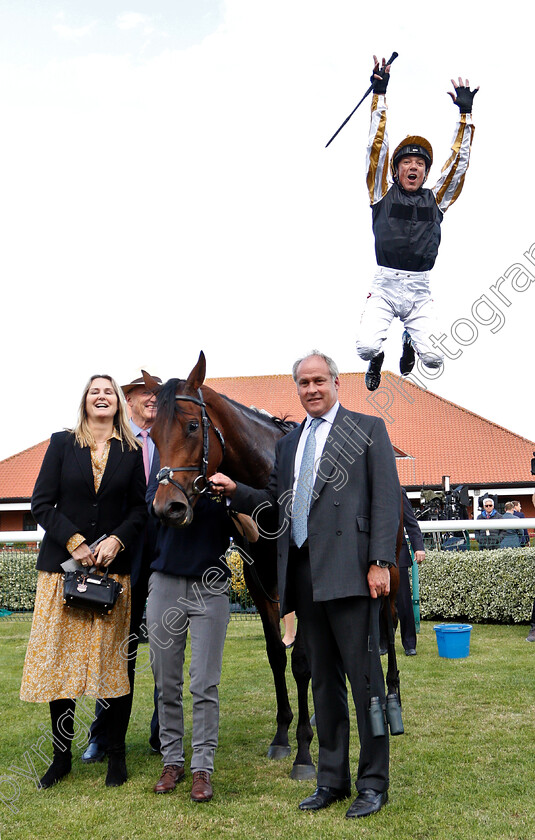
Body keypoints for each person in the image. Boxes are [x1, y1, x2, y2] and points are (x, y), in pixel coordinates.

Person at [210, 350, 401, 820]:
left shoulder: (366, 430)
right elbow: (276, 503)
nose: (311, 389)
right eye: (303, 382)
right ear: (296, 388)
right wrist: (236, 489)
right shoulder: (290, 443)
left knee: (365, 683)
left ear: (336, 382)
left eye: (319, 380)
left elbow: (386, 501)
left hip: (353, 576)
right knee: (323, 686)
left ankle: (373, 783)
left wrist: (379, 561)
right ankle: (331, 779)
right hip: (302, 577)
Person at [20, 375, 147, 789]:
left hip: (113, 576)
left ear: (118, 404)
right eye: (95, 390)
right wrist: (74, 541)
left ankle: (115, 754)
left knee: (114, 667)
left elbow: (139, 511)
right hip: (63, 575)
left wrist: (117, 538)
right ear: (85, 401)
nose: (102, 395)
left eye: (109, 391)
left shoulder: (132, 452)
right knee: (62, 666)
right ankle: (61, 759)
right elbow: (41, 503)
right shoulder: (62, 444)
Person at [356, 55, 478, 390]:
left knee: (436, 359)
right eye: (406, 162)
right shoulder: (380, 192)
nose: (413, 167)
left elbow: (459, 164)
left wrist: (464, 116)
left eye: (420, 163)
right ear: (396, 170)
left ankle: (410, 338)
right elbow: (376, 148)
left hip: (420, 289)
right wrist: (379, 94)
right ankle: (377, 358)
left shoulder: (436, 199)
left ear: (425, 171)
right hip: (385, 285)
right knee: (365, 346)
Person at [82, 372, 162, 764]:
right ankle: (102, 734)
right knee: (115, 650)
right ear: (125, 398)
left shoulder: (169, 437)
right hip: (121, 559)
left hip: (164, 557)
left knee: (167, 647)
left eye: (157, 394)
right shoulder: (115, 442)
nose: (152, 399)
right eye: (144, 393)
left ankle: (162, 733)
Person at [146, 456, 235, 802]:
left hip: (210, 589)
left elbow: (253, 531)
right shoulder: (164, 474)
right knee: (166, 680)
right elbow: (151, 519)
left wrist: (233, 496)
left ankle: (202, 767)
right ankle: (172, 761)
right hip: (165, 582)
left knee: (204, 682)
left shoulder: (222, 482)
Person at [397, 488, 425, 656]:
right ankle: (382, 642)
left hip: (397, 553)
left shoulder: (398, 492)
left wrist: (419, 547)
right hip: (372, 554)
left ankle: (409, 644)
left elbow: (411, 522)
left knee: (404, 602)